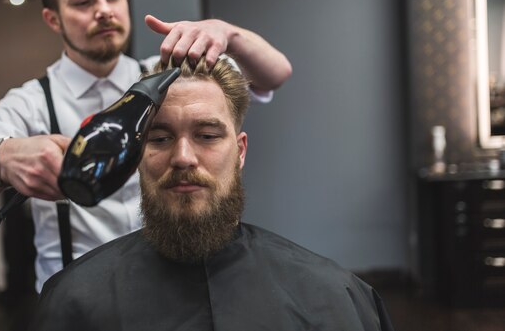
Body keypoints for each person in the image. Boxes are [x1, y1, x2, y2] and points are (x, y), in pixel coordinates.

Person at [0, 0, 292, 292]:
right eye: (84, 1)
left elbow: (275, 73)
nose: (103, 9)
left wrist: (228, 32)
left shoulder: (169, 77)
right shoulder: (30, 104)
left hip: (173, 296)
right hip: (79, 305)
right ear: (53, 19)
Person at [29, 57, 395, 331]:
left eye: (206, 136)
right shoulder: (74, 303)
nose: (183, 157)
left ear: (241, 152)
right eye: (159, 138)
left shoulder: (334, 298)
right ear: (137, 154)